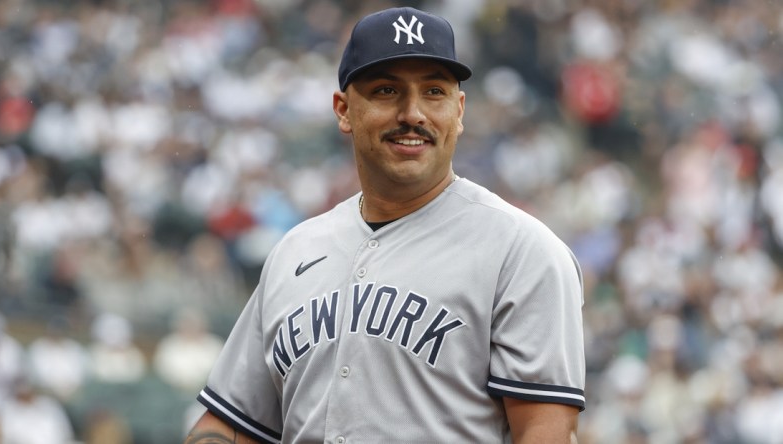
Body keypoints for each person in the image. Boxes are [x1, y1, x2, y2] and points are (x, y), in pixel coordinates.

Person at [185, 7, 585, 443]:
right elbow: (227, 423)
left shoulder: (522, 251)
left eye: (434, 91)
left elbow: (545, 433)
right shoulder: (295, 251)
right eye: (386, 90)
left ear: (459, 109)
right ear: (344, 110)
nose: (413, 113)